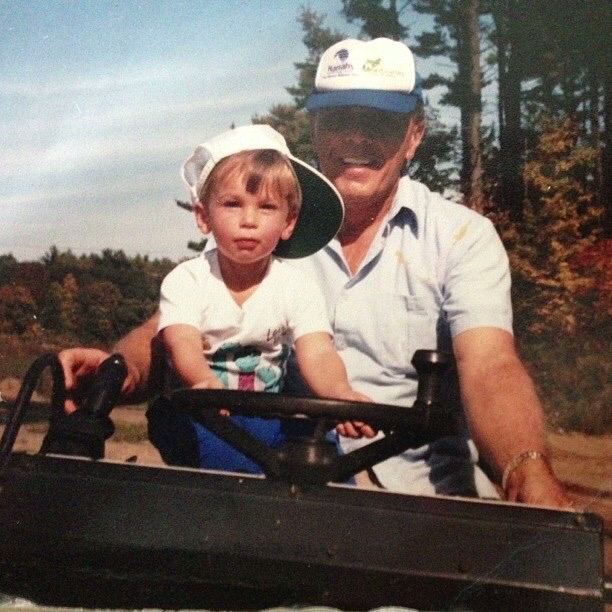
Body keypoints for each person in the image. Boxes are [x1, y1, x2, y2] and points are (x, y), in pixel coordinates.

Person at [59, 38, 570, 506]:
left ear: (413, 135)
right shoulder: (269, 226)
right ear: (314, 129)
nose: (356, 138)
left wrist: (525, 468)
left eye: (379, 122)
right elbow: (181, 326)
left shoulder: (462, 236)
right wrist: (113, 371)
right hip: (279, 487)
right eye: (338, 120)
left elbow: (490, 366)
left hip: (423, 501)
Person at [150, 124, 372, 470]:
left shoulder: (295, 285)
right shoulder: (188, 280)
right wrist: (202, 383)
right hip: (201, 413)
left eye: (267, 207)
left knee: (322, 456)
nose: (249, 220)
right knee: (227, 458)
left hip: (267, 413)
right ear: (203, 216)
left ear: (288, 223)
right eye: (232, 204)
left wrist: (340, 393)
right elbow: (182, 343)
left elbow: (317, 351)